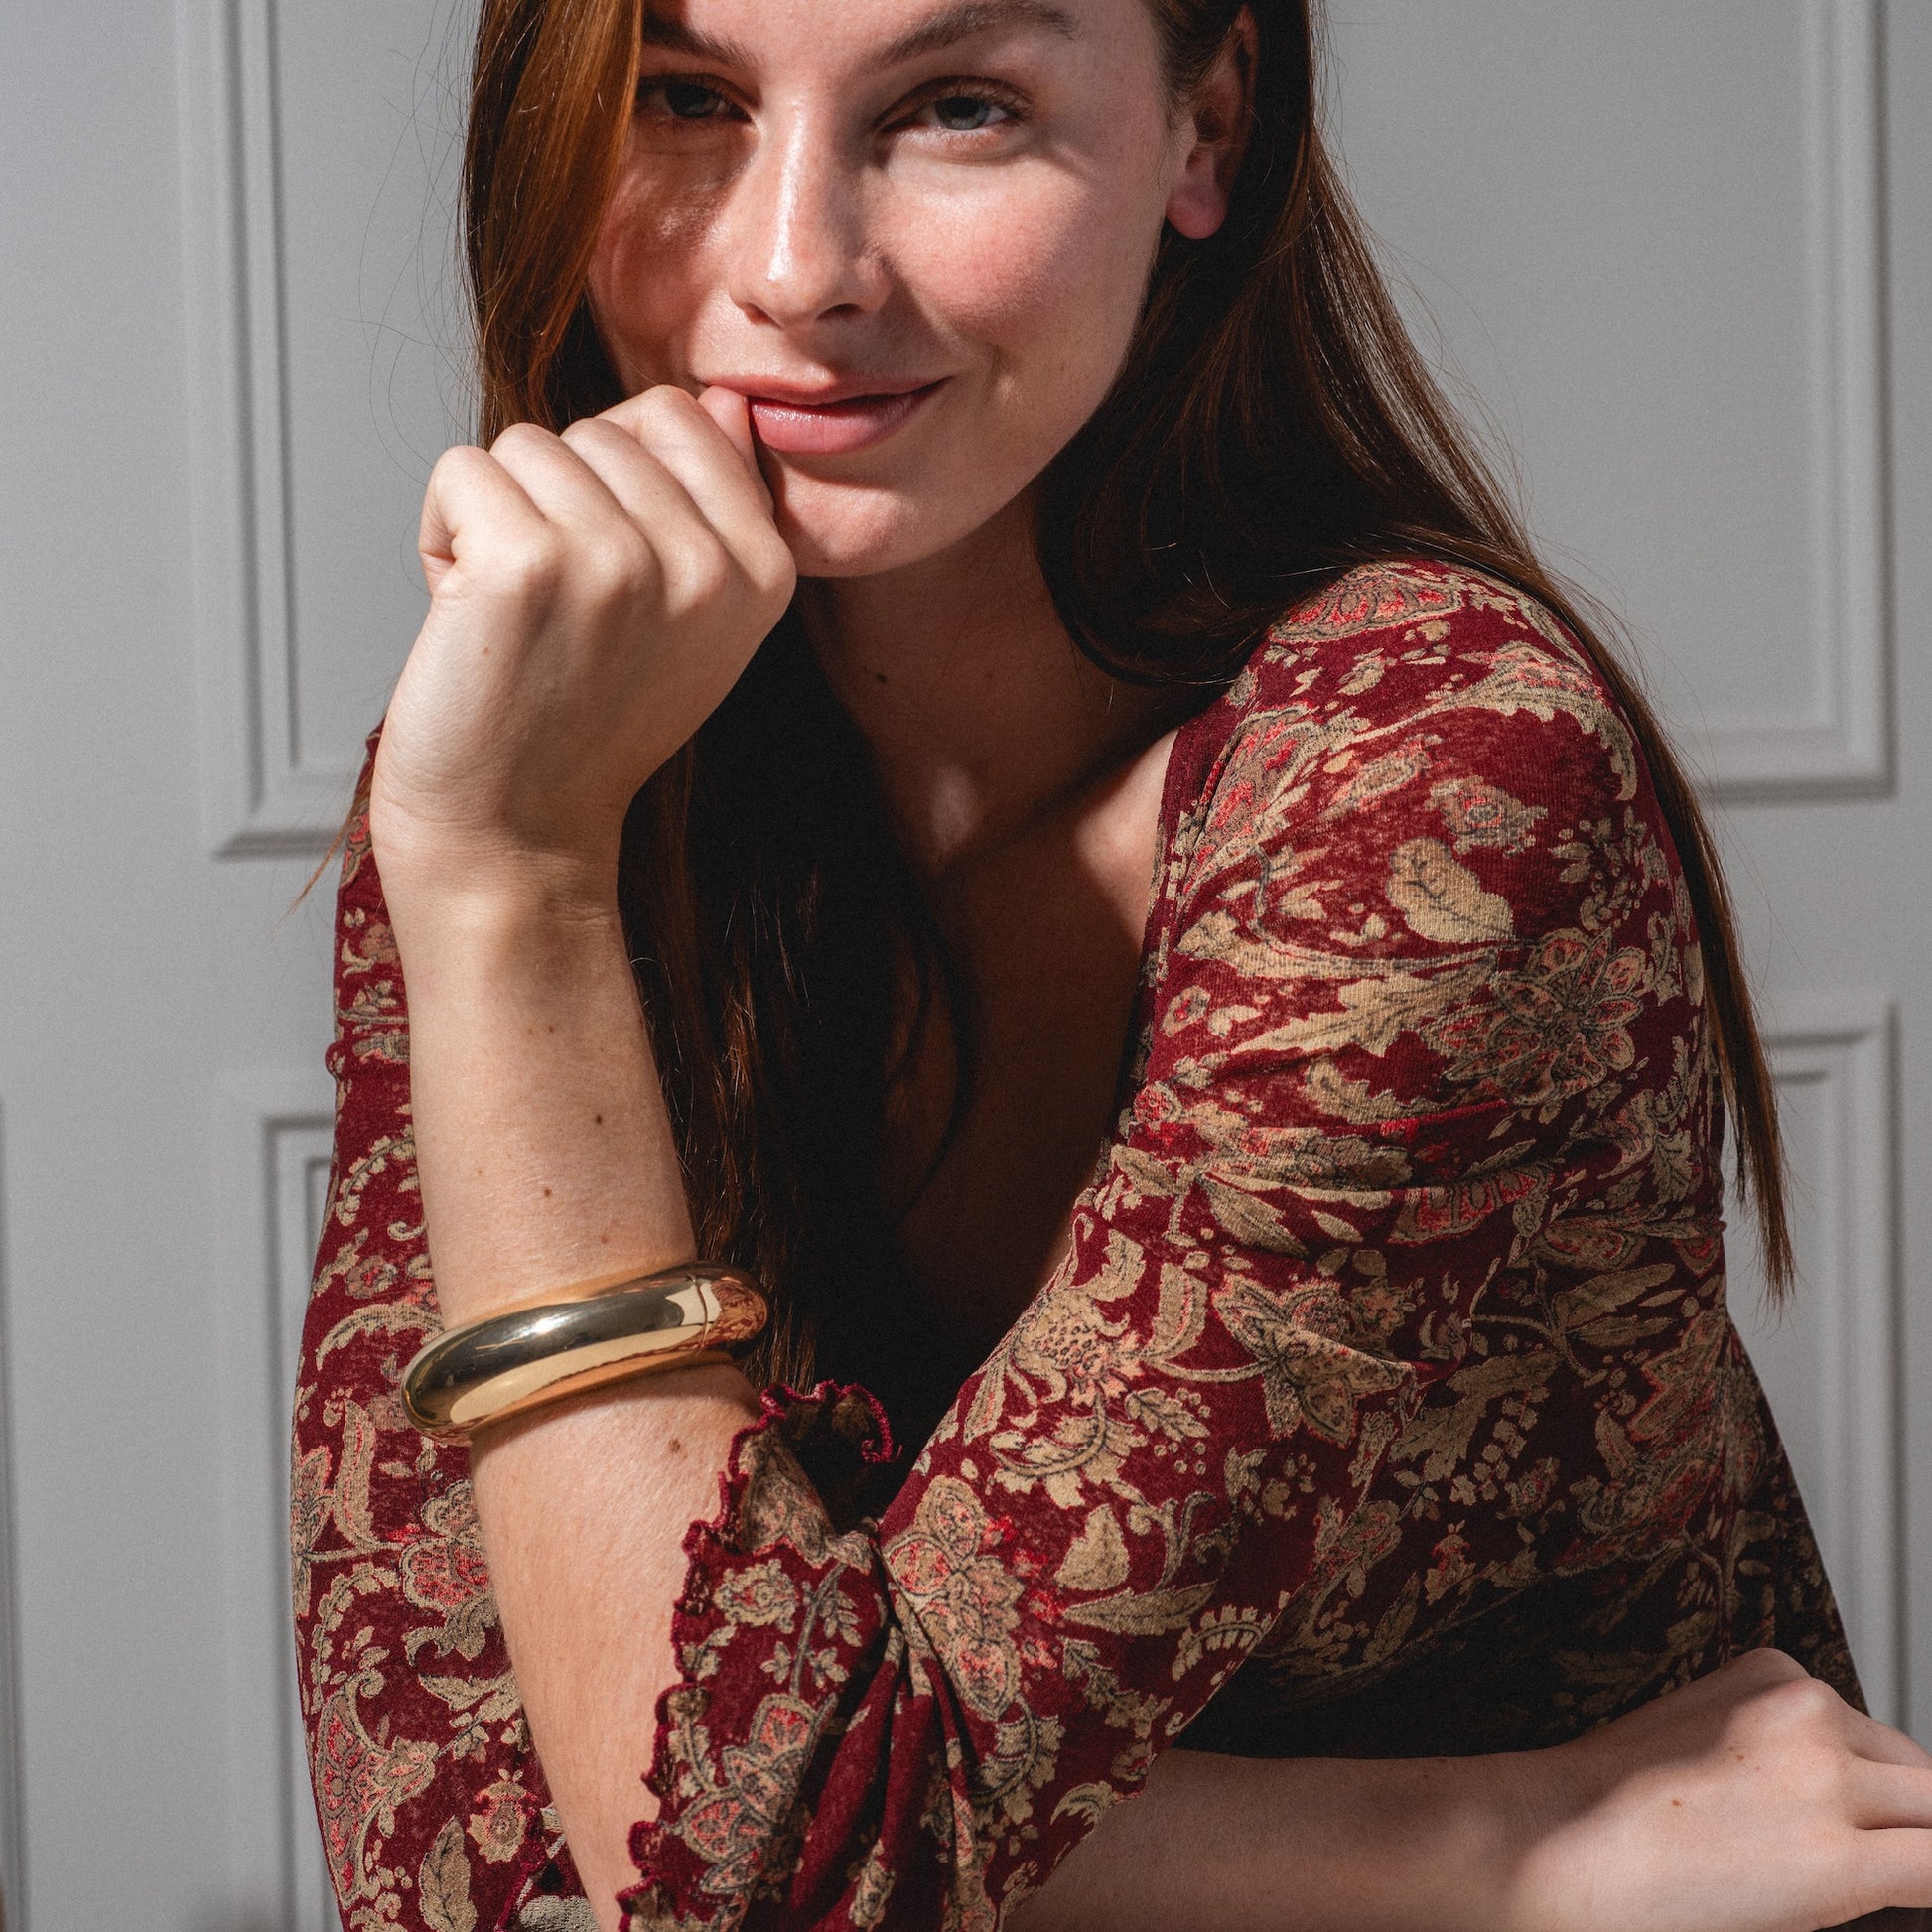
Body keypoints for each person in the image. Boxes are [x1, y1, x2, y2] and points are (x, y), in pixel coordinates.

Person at [290, 0, 1932, 1927]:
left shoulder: (1420, 767)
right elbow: (463, 1830)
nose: (791, 263)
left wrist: (511, 892)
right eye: (684, 98)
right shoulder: (539, 759)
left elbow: (724, 1864)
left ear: (1207, 120)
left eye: (958, 106)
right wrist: (1488, 1848)